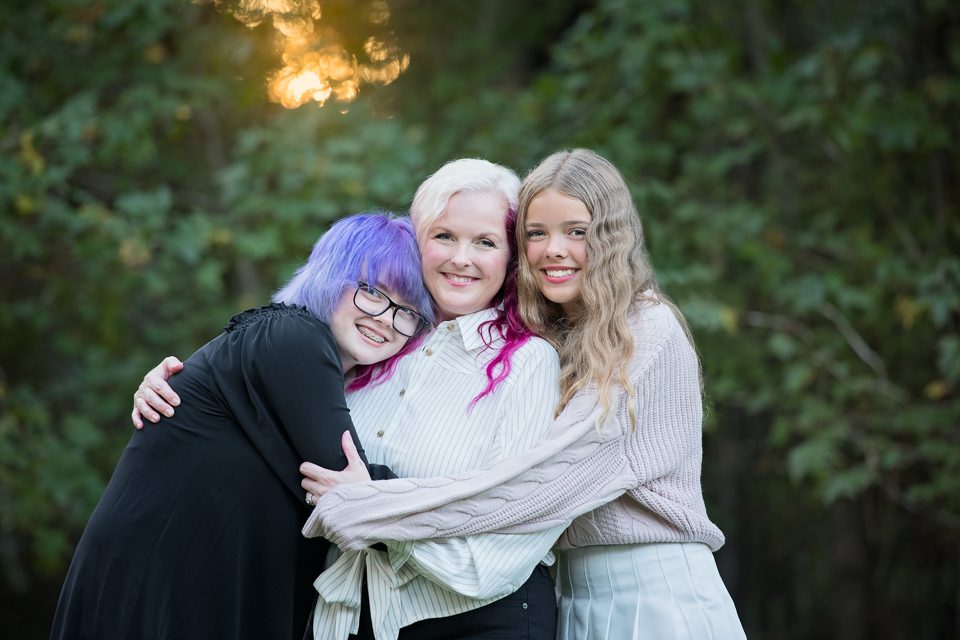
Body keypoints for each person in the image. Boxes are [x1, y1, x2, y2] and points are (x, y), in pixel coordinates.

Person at [297, 149, 748, 639]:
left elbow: (536, 485)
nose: (554, 249)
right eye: (537, 233)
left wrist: (367, 505)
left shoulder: (645, 329)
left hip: (652, 589)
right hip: (574, 592)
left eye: (577, 230)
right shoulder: (555, 333)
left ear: (611, 236)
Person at [129, 159, 565, 640]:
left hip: (470, 622)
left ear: (511, 259)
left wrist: (372, 506)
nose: (462, 258)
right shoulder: (372, 348)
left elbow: (501, 552)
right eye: (443, 236)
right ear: (416, 242)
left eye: (485, 242)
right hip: (348, 618)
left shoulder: (528, 363)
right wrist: (182, 386)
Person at [51, 212, 434, 640]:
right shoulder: (294, 338)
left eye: (407, 311)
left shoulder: (307, 361)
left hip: (192, 590)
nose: (386, 318)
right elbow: (350, 485)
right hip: (156, 589)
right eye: (372, 292)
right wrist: (465, 500)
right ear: (331, 276)